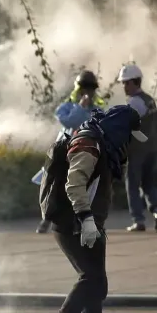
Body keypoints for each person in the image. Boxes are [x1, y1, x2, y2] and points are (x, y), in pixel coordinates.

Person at [37, 105, 147, 313]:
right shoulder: (89, 144)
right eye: (129, 136)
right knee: (92, 279)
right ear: (119, 130)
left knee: (97, 283)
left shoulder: (104, 145)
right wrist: (86, 218)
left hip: (89, 224)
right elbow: (74, 183)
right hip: (73, 224)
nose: (129, 143)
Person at [37, 70, 107, 234]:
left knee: (85, 187)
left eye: (91, 89)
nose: (88, 92)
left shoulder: (97, 110)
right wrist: (80, 107)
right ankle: (47, 218)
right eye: (84, 88)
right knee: (55, 185)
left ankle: (83, 222)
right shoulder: (66, 107)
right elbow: (69, 121)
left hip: (86, 153)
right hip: (65, 152)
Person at [116, 64, 157, 231]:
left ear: (135, 82)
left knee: (132, 184)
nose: (124, 86)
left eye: (127, 83)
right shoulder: (149, 100)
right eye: (123, 83)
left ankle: (138, 220)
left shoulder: (134, 103)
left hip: (138, 151)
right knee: (149, 184)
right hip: (153, 148)